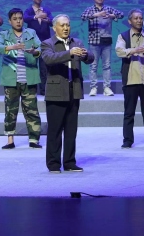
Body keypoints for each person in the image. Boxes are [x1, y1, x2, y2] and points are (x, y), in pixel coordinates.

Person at [41, 15, 94, 173]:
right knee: (55, 130)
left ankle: (70, 162)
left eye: (68, 25)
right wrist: (69, 53)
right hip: (56, 92)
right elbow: (49, 59)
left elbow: (90, 58)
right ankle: (53, 163)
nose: (66, 28)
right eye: (62, 25)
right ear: (54, 28)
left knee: (71, 130)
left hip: (74, 90)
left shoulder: (76, 42)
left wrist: (85, 55)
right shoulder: (47, 44)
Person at [0, 8, 42, 149]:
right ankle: (10, 140)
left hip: (29, 78)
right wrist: (12, 47)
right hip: (11, 79)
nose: (18, 21)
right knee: (10, 110)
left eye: (20, 18)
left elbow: (41, 48)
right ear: (10, 21)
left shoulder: (31, 33)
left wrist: (34, 51)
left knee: (31, 110)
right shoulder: (4, 34)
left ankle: (34, 139)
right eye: (15, 19)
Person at [115, 9, 144, 149]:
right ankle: (128, 140)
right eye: (136, 18)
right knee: (129, 113)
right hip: (131, 80)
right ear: (130, 21)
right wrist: (134, 50)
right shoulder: (123, 36)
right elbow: (119, 51)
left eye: (140, 18)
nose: (139, 20)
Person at [80, 0, 124, 97]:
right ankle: (93, 87)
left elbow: (121, 14)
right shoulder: (90, 9)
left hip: (106, 41)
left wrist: (112, 16)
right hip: (94, 42)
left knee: (107, 65)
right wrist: (97, 14)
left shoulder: (108, 9)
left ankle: (107, 87)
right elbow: (83, 17)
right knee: (93, 65)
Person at [23, 0, 53, 96]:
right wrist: (37, 16)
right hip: (32, 43)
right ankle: (32, 89)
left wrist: (47, 19)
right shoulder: (29, 10)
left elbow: (52, 21)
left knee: (44, 67)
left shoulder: (46, 10)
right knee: (32, 67)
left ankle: (44, 90)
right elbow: (25, 18)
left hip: (45, 42)